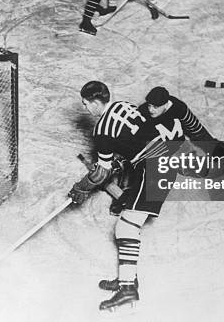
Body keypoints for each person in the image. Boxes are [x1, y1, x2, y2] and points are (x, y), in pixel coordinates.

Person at [68, 81, 171, 312]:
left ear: (95, 102)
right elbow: (133, 138)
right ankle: (128, 277)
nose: (86, 108)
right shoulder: (123, 106)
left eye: (86, 104)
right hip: (163, 157)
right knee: (127, 221)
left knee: (125, 228)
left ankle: (127, 289)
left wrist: (81, 188)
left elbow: (100, 174)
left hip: (153, 168)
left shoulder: (102, 131)